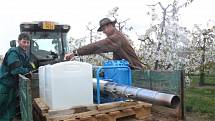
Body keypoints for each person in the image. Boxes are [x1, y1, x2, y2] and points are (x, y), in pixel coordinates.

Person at [64, 18, 143, 69]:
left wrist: (75, 53)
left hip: (135, 70)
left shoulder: (116, 38)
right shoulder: (117, 36)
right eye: (102, 30)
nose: (104, 32)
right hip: (129, 69)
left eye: (104, 29)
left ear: (110, 25)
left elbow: (97, 46)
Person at [0, 33, 33, 121]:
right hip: (5, 86)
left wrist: (30, 69)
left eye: (28, 42)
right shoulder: (13, 52)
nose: (26, 44)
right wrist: (27, 71)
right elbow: (16, 70)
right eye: (24, 42)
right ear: (19, 41)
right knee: (2, 109)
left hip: (12, 87)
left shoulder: (25, 55)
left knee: (10, 111)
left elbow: (30, 66)